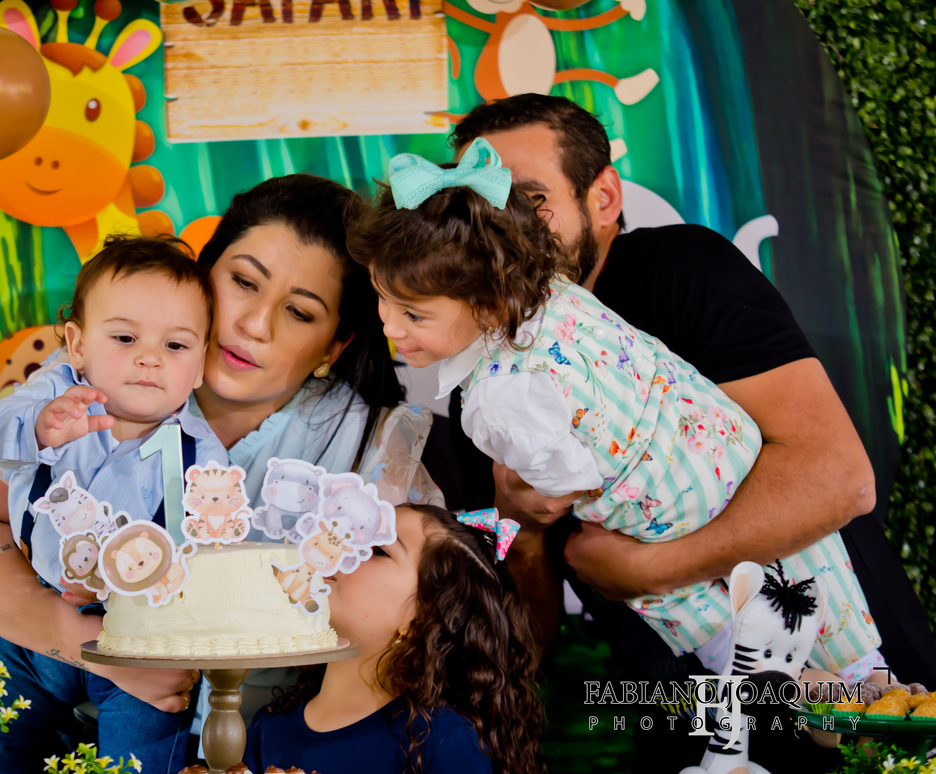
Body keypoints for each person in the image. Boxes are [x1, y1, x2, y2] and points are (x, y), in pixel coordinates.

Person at [444, 94, 936, 774]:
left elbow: (837, 478)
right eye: (478, 203)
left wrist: (649, 569)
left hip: (861, 678)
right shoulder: (483, 376)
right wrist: (522, 527)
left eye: (529, 198)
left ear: (603, 198)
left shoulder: (677, 269)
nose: (501, 225)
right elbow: (529, 642)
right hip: (686, 725)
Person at [0, 174, 444, 774]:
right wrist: (97, 646)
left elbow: (406, 630)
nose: (254, 323)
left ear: (334, 344)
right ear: (202, 273)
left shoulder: (369, 447)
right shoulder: (99, 373)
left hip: (266, 760)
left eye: (300, 312)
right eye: (243, 281)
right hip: (72, 707)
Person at [349, 138, 881, 680]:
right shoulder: (552, 292)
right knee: (808, 571)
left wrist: (528, 491)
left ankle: (789, 686)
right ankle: (866, 670)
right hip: (724, 446)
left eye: (413, 314)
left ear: (487, 307)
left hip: (662, 512)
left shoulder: (494, 399)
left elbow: (562, 485)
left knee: (685, 607)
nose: (389, 325)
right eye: (382, 298)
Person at [0, 235, 226, 595]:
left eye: (175, 345)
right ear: (77, 346)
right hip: (32, 597)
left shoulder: (203, 455)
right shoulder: (55, 395)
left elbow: (209, 553)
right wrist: (37, 429)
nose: (150, 358)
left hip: (139, 617)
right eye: (125, 338)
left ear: (199, 365)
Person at [245, 505, 546, 774]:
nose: (341, 549)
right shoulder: (268, 727)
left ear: (425, 618)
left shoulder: (442, 743)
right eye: (354, 535)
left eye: (378, 550)